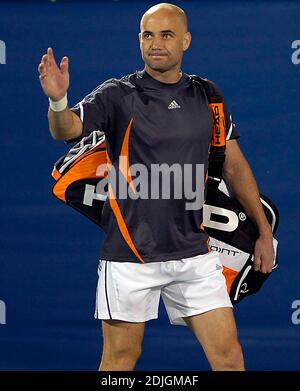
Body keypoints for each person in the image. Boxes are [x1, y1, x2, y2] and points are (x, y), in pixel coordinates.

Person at [38, 3, 275, 371]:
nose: (156, 43)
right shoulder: (117, 94)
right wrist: (58, 100)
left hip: (194, 255)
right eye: (148, 35)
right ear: (139, 40)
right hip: (129, 257)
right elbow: (65, 130)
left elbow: (234, 165)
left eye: (166, 34)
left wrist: (262, 230)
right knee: (119, 361)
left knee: (229, 360)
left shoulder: (208, 96)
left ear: (186, 40)